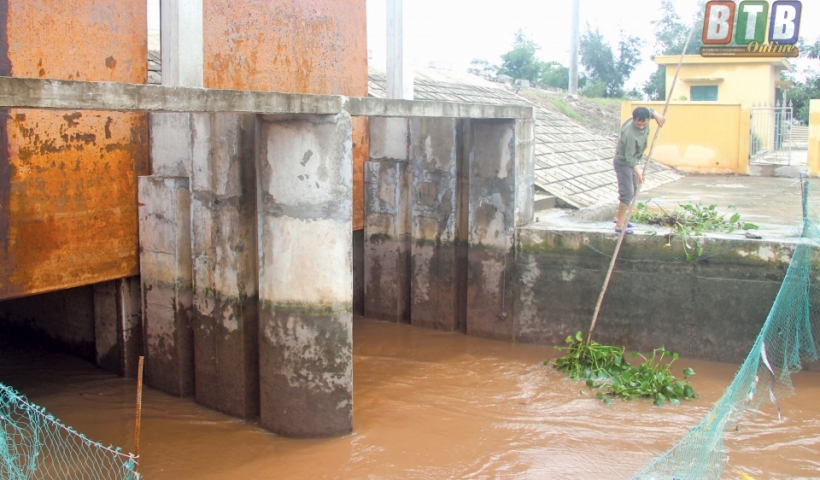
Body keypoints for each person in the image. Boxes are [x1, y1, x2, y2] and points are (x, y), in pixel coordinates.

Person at [613, 107, 665, 233]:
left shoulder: (645, 116)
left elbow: (650, 110)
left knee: (635, 189)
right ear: (633, 119)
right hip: (623, 163)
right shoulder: (630, 134)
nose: (641, 127)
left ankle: (618, 217)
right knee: (627, 193)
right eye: (638, 124)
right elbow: (629, 158)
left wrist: (657, 116)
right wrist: (638, 172)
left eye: (644, 124)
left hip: (632, 162)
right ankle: (619, 225)